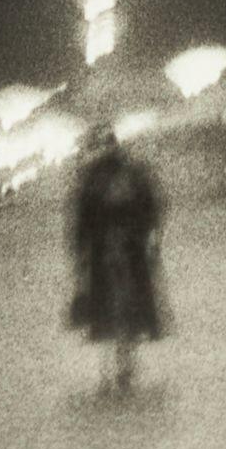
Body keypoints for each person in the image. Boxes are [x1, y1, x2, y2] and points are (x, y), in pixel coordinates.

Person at [67, 122, 164, 392]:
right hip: (130, 250)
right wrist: (151, 238)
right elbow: (151, 209)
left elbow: (82, 222)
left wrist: (80, 254)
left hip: (104, 252)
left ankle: (112, 368)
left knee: (106, 312)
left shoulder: (91, 179)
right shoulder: (133, 173)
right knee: (128, 310)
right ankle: (124, 365)